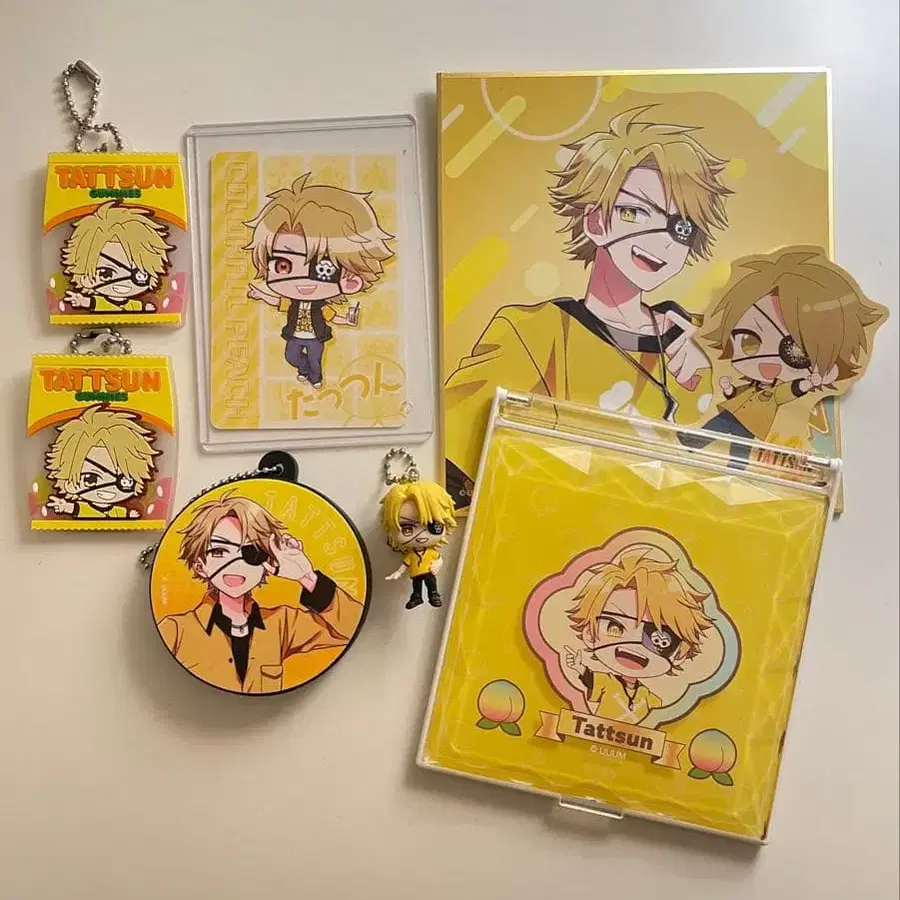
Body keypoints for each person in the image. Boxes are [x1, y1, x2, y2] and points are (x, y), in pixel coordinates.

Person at [444, 106, 732, 508]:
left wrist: (715, 376)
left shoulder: (704, 340)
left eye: (680, 227)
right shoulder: (533, 332)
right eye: (635, 212)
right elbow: (454, 463)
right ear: (596, 222)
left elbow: (759, 472)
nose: (660, 240)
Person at [681, 246, 888, 464]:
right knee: (716, 425)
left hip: (754, 425)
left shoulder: (778, 392)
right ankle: (692, 442)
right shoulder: (752, 384)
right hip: (732, 412)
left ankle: (736, 464)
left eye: (795, 353)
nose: (767, 363)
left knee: (740, 447)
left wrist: (809, 382)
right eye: (748, 340)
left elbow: (792, 389)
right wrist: (728, 389)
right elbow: (737, 394)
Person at [158, 493, 364, 694]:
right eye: (219, 552)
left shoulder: (283, 622)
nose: (235, 565)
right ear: (200, 565)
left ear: (268, 562)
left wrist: (307, 577)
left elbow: (351, 627)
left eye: (251, 553)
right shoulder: (176, 630)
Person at [243, 174, 394, 389]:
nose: (302, 281)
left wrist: (347, 321)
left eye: (322, 268)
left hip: (315, 337)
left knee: (315, 360)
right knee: (291, 357)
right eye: (283, 265)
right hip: (294, 335)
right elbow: (277, 302)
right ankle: (303, 370)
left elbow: (332, 317)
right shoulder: (292, 302)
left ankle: (316, 378)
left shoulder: (322, 306)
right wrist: (260, 294)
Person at [563, 543, 713, 724]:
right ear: (589, 633)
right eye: (614, 627)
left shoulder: (647, 695)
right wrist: (579, 667)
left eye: (658, 637)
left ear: (679, 654)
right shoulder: (607, 681)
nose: (635, 646)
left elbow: (662, 717)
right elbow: (590, 680)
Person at [44, 404, 159, 519]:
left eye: (124, 480)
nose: (108, 487)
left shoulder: (117, 511)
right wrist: (64, 506)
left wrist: (130, 515)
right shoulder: (82, 507)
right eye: (90, 479)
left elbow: (123, 513)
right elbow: (74, 508)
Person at [61, 200, 173, 313]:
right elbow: (90, 302)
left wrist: (146, 309)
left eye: (138, 275)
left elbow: (140, 308)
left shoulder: (134, 304)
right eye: (105, 273)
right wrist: (81, 301)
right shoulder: (99, 302)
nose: (123, 281)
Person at [382, 480, 457, 609]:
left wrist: (438, 564)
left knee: (431, 583)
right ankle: (417, 597)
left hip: (428, 572)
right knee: (416, 586)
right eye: (407, 529)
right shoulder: (411, 555)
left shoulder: (431, 553)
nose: (421, 535)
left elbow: (439, 559)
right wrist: (398, 573)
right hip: (416, 574)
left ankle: (433, 595)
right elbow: (405, 565)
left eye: (432, 526)